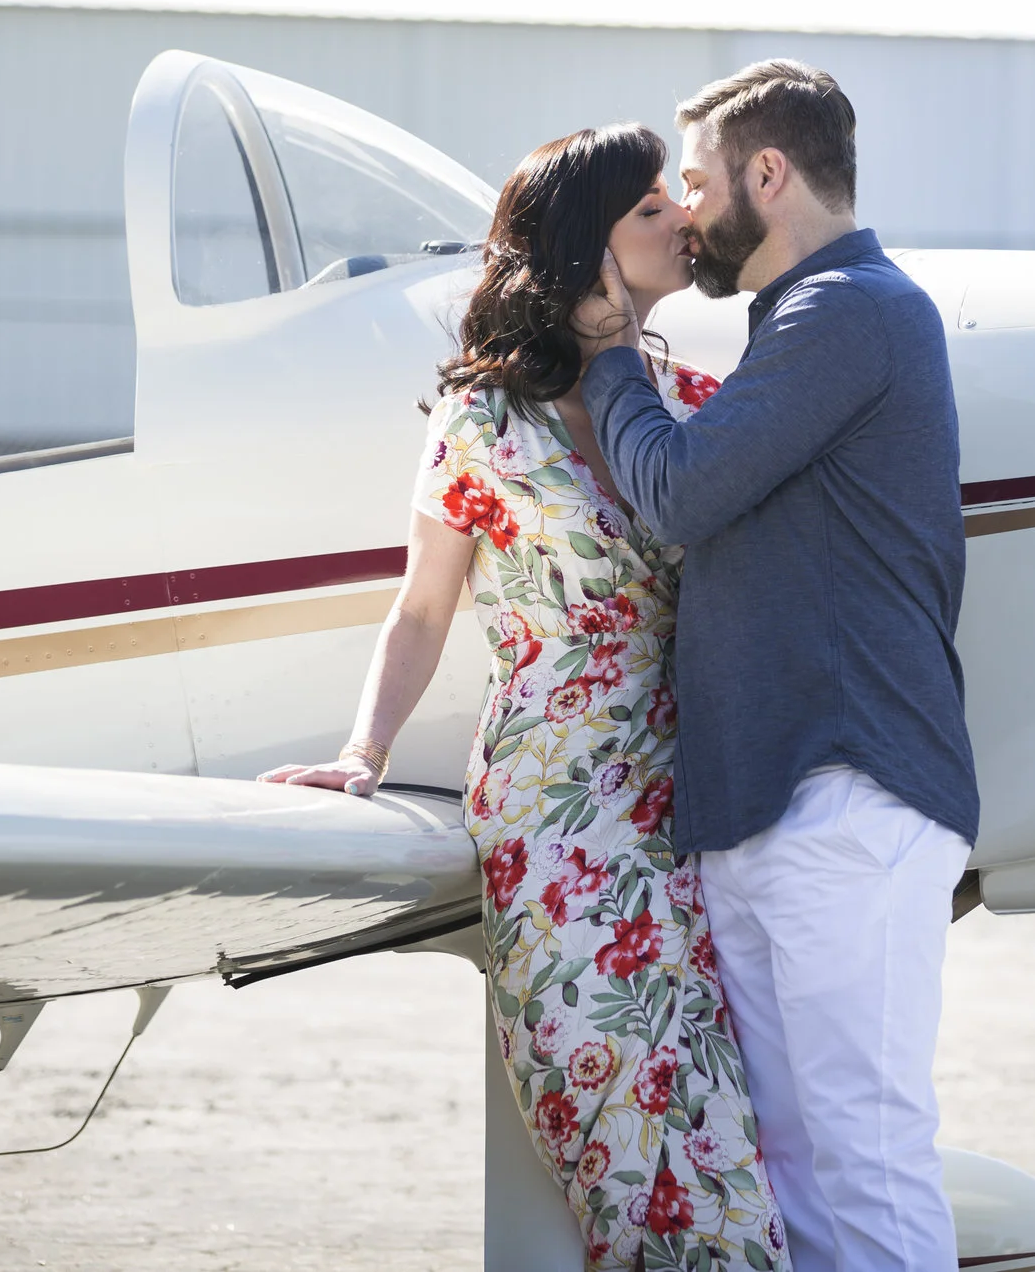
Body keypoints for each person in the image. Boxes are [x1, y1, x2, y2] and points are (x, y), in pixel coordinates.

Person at [260, 124, 791, 1272]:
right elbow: (420, 606)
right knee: (614, 1111)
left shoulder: (699, 403)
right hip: (555, 808)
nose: (679, 220)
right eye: (648, 207)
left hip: (683, 806)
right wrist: (365, 747)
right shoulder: (483, 419)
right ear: (583, 244)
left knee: (709, 1111)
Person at [573, 61, 979, 1272]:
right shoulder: (795, 324)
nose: (683, 211)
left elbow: (683, 490)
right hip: (770, 804)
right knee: (795, 1164)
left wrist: (603, 357)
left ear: (768, 173)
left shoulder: (848, 311)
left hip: (841, 797)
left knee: (862, 1149)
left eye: (693, 181)